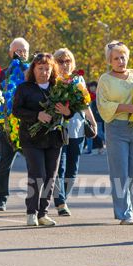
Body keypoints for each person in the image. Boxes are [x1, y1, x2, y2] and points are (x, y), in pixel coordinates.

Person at [98, 41, 133, 225]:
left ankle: (128, 208)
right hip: (115, 127)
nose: (120, 61)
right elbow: (102, 105)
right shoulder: (105, 80)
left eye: (123, 57)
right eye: (116, 58)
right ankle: (125, 213)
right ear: (110, 61)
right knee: (119, 172)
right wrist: (125, 107)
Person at [13, 53, 70, 226]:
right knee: (38, 174)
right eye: (40, 68)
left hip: (54, 138)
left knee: (50, 177)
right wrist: (37, 115)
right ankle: (31, 212)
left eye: (47, 68)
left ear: (53, 69)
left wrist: (68, 112)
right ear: (33, 69)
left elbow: (70, 110)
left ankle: (43, 213)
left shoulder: (58, 88)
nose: (44, 72)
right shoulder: (25, 88)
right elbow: (16, 110)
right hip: (31, 138)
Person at [54, 48, 96, 217]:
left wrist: (92, 121)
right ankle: (60, 202)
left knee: (73, 167)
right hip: (58, 128)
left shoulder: (78, 79)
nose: (65, 65)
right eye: (61, 61)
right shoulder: (53, 80)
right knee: (60, 167)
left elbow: (85, 104)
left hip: (77, 128)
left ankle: (64, 197)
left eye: (68, 61)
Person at [0, 37, 29, 211]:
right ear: (10, 52)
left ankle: (35, 201)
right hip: (8, 125)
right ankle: (0, 199)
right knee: (5, 162)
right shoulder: (3, 74)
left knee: (34, 164)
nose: (21, 54)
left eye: (24, 51)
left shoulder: (32, 72)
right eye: (17, 51)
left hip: (29, 124)